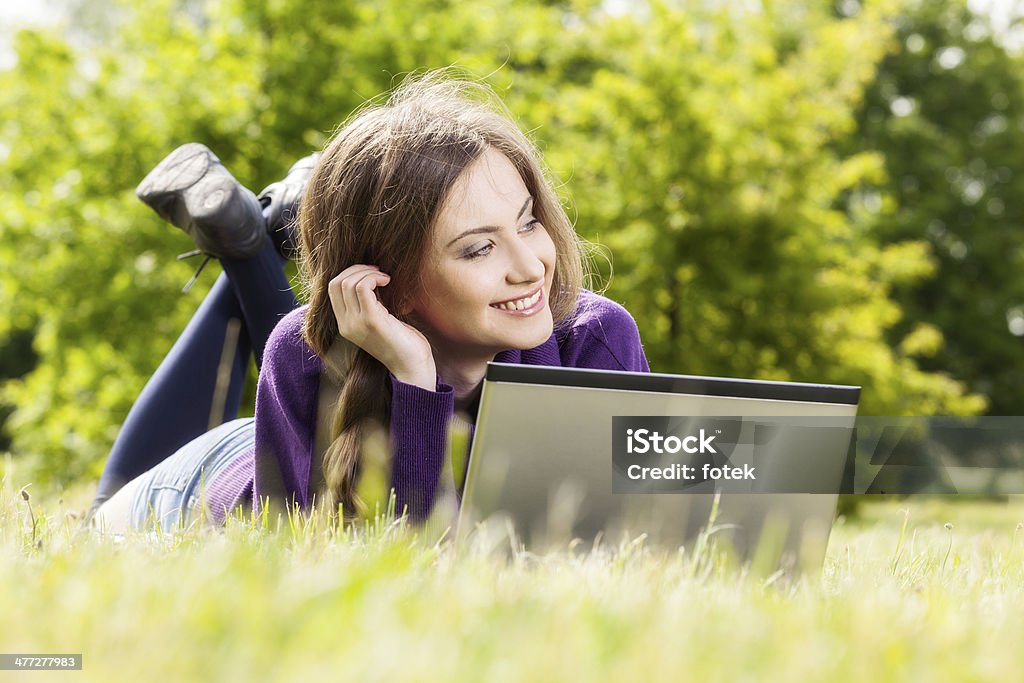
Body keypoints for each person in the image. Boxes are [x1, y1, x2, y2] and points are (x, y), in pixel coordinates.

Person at [89, 71, 650, 534]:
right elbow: (390, 559)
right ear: (392, 284)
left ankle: (256, 235)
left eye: (528, 223)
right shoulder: (299, 354)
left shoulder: (594, 337)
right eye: (478, 248)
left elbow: (641, 526)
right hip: (199, 489)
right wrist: (415, 379)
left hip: (281, 433)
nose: (530, 268)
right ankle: (256, 241)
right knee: (96, 515)